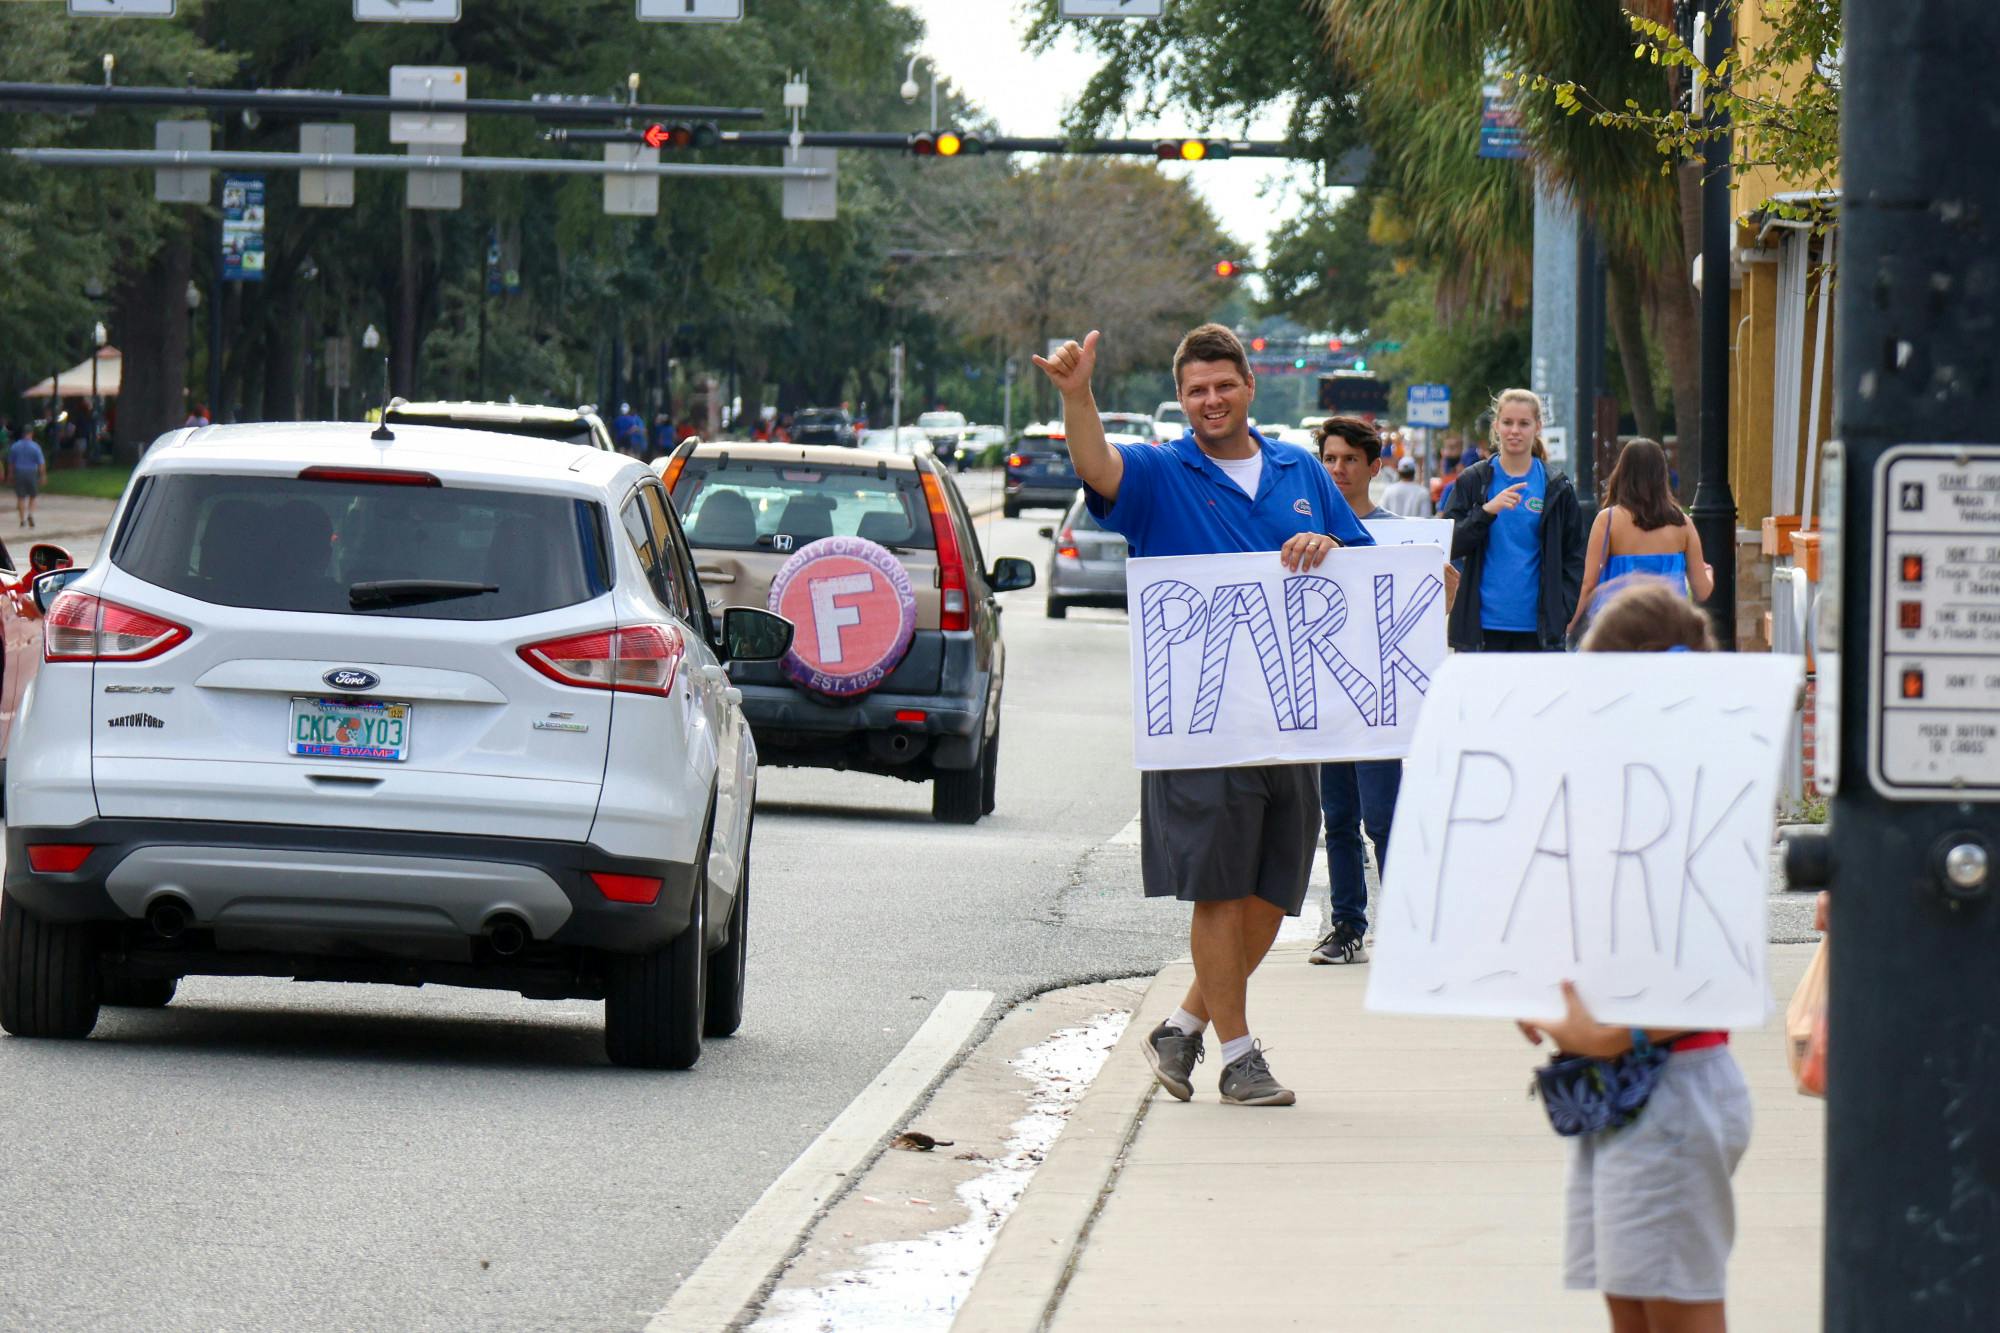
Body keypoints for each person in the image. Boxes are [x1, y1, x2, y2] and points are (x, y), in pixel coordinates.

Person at [1034, 322, 1372, 1107]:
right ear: (1181, 400)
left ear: (1249, 386)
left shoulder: (1298, 469)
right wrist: (1078, 396)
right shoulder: (1160, 471)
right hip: (1201, 716)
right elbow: (1096, 465)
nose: (1211, 400)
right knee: (1218, 889)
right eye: (1196, 390)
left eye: (1223, 385)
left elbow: (1359, 569)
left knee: (1272, 894)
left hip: (1292, 720)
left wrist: (1331, 545)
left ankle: (1181, 1026)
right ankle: (1239, 1055)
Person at [1519, 581, 1752, 1333]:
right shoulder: (1637, 799)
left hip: (1670, 1085)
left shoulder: (1691, 809)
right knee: (1634, 1300)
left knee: (1676, 1306)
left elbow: (1695, 967)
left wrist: (1598, 1033)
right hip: (1629, 1090)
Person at [1308, 417, 1406, 966]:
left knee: (1384, 817)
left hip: (1379, 701)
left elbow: (1417, 624)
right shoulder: (1304, 533)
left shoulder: (1396, 535)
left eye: (1349, 460)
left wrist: (1441, 593)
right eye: (1330, 458)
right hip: (1327, 698)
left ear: (1374, 466)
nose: (1339, 469)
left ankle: (1404, 927)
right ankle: (1348, 926)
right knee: (1338, 817)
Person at [1439, 388, 1585, 652]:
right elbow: (1449, 544)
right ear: (1496, 426)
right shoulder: (1474, 480)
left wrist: (1562, 608)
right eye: (1507, 422)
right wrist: (1485, 512)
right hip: (1481, 628)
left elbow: (1575, 553)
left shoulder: (1556, 485)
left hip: (1538, 630)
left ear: (1537, 427)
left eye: (1523, 423)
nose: (1514, 430)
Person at [1568, 438, 1716, 635]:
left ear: (1622, 473)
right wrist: (1709, 572)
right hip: (1670, 631)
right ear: (1662, 476)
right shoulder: (1683, 523)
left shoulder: (1608, 520)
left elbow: (1588, 583)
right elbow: (1702, 591)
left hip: (1617, 629)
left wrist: (1568, 626)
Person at [7, 423, 47, 529]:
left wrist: (10, 474)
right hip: (31, 472)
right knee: (33, 495)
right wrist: (42, 475)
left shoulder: (15, 446)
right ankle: (30, 514)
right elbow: (41, 463)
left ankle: (22, 520)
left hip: (19, 472)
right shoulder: (35, 447)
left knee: (21, 497)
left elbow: (11, 463)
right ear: (31, 434)